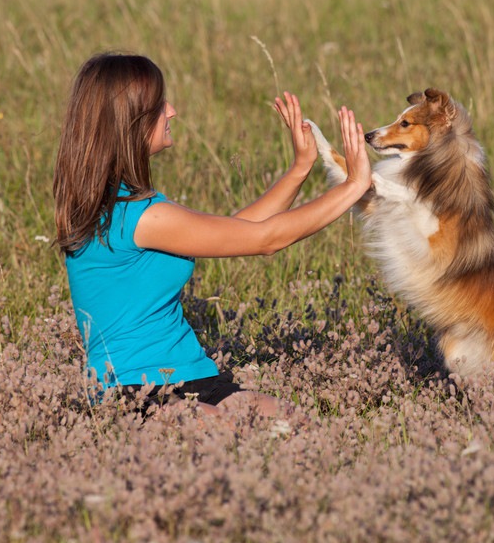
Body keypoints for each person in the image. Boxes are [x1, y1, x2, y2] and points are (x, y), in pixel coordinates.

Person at [53, 52, 372, 425]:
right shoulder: (141, 216)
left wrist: (299, 169)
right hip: (129, 391)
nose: (171, 111)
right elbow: (266, 239)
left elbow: (237, 229)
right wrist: (354, 186)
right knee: (216, 431)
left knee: (291, 424)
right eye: (159, 106)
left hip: (196, 377)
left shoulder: (132, 206)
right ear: (130, 123)